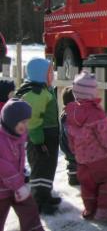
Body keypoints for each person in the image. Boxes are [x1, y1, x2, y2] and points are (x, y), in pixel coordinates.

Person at [66, 70, 107, 221]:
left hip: (82, 158)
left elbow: (70, 135)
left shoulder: (71, 112)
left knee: (87, 184)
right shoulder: (96, 113)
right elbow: (105, 136)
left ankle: (90, 209)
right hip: (100, 157)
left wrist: (74, 150)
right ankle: (103, 209)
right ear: (92, 93)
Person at [15, 57, 60, 215]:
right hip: (41, 136)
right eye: (49, 72)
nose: (52, 75)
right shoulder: (36, 93)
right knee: (41, 167)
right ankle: (39, 201)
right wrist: (39, 142)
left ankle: (45, 195)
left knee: (48, 167)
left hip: (48, 135)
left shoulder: (44, 90)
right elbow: (33, 121)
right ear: (40, 74)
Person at [0, 98, 44, 231]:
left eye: (27, 122)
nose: (25, 125)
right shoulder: (1, 140)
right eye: (22, 122)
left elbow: (18, 158)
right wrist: (18, 185)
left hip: (17, 186)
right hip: (1, 190)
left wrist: (22, 172)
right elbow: (4, 167)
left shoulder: (19, 135)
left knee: (29, 209)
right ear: (10, 121)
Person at [59, 86, 79, 186]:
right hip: (72, 145)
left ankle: (73, 176)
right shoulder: (69, 115)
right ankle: (74, 177)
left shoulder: (66, 113)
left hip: (66, 145)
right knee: (75, 161)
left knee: (72, 160)